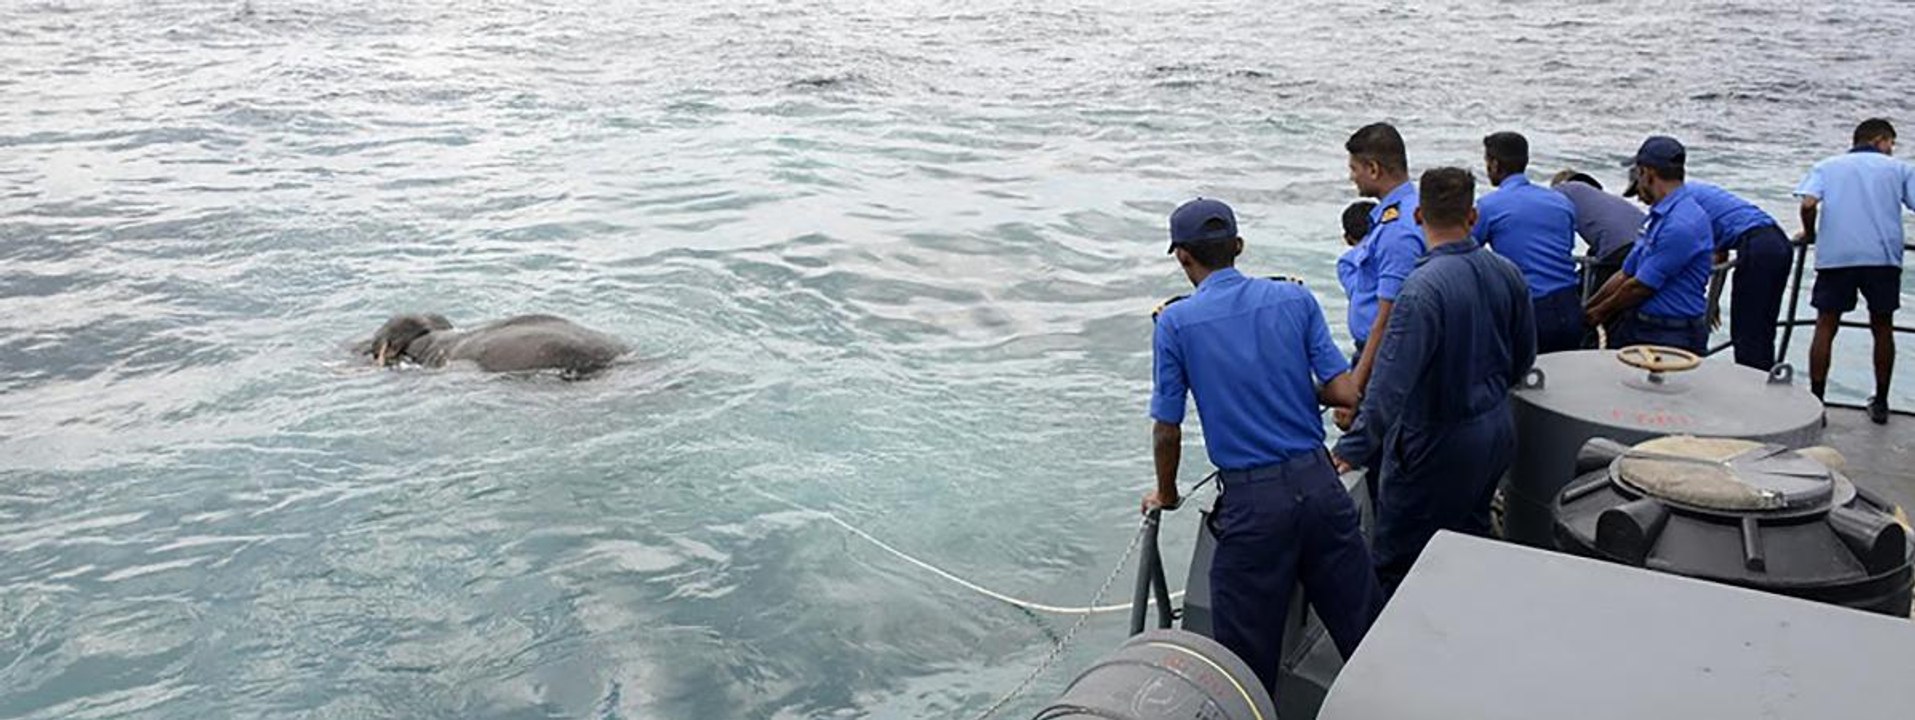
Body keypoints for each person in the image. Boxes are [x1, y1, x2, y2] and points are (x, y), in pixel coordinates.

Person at [1146, 197, 1382, 692]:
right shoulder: (1294, 299)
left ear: (1183, 257)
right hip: (1321, 489)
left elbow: (1167, 429)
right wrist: (1299, 393)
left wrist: (1165, 493)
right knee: (1367, 637)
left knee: (1243, 669)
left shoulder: (1174, 323)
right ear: (1238, 246)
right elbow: (1345, 393)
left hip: (1254, 509)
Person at [1331, 168, 1536, 592]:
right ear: (1473, 216)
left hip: (1437, 443)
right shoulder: (1507, 272)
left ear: (1419, 215)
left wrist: (1351, 449)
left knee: (1398, 561)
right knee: (1469, 543)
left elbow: (1389, 389)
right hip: (1495, 432)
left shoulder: (1421, 290)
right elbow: (1523, 358)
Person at [1795, 118, 1915, 423]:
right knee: (1882, 328)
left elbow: (1808, 203)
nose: (1891, 149)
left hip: (1837, 255)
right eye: (1891, 143)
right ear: (1879, 140)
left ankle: (1817, 402)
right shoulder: (1899, 169)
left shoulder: (1827, 166)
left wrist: (1810, 234)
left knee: (1825, 326)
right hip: (1882, 257)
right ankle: (1882, 403)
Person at [1585, 136, 1713, 353]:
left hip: (1670, 334)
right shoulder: (1658, 216)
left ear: (1647, 173)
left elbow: (1641, 287)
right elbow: (1626, 273)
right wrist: (1589, 308)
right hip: (1641, 324)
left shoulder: (1681, 224)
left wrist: (1599, 314)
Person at [1473, 132, 1582, 353]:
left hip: (1531, 310)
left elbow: (1463, 251)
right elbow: (1566, 247)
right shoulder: (1560, 201)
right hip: (1571, 303)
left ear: (1494, 164)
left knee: (1521, 381)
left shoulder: (1489, 206)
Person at [1683, 182, 1792, 370]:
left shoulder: (1683, 203)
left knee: (1747, 332)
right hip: (1777, 242)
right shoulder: (1701, 193)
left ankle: (1753, 388)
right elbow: (1720, 253)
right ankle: (1764, 381)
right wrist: (1713, 301)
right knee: (1762, 327)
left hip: (1757, 246)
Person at [1336, 199, 1378, 358]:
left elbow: (1359, 292)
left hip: (1369, 342)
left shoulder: (1348, 262)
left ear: (1347, 238)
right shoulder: (1393, 249)